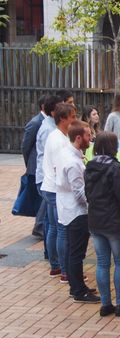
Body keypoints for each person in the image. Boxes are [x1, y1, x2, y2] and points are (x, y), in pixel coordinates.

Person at [84, 132, 120, 318]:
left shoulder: (89, 166)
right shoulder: (115, 167)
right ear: (112, 146)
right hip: (113, 220)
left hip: (95, 220)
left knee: (102, 263)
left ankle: (106, 304)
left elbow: (87, 193)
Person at [56, 120, 99, 303]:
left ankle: (78, 286)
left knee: (75, 252)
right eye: (88, 136)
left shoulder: (69, 154)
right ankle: (78, 290)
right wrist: (94, 203)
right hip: (77, 212)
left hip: (68, 208)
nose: (91, 138)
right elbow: (80, 193)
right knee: (77, 253)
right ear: (79, 138)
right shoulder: (73, 163)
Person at [41, 102, 77, 283]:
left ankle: (55, 266)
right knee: (62, 229)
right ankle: (64, 271)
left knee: (54, 228)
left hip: (50, 187)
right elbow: (60, 167)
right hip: (55, 189)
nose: (74, 120)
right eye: (72, 117)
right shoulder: (58, 140)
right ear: (63, 118)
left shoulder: (59, 135)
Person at [35, 94, 63, 268]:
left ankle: (54, 261)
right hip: (49, 181)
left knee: (52, 224)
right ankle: (56, 262)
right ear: (53, 112)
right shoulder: (49, 131)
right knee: (56, 226)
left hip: (48, 180)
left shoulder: (52, 128)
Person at [22, 94, 48, 239]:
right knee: (42, 198)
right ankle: (39, 225)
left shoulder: (47, 122)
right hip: (36, 166)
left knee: (42, 198)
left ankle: (40, 224)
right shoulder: (36, 122)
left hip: (42, 167)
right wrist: (29, 165)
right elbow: (25, 146)